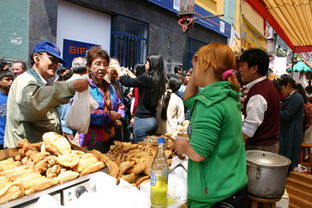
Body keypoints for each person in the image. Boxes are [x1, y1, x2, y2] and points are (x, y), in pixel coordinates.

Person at [174, 42, 248, 208]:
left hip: (217, 197)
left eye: (196, 64)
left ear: (206, 64)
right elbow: (188, 99)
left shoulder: (210, 103)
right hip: (232, 187)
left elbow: (199, 153)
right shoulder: (226, 94)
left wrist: (182, 146)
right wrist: (195, 71)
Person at [4, 40, 89, 148]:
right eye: (51, 59)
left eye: (57, 61)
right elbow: (33, 102)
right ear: (36, 58)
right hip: (25, 153)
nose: (55, 64)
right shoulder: (25, 80)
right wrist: (70, 86)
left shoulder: (44, 83)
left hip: (39, 150)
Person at [78, 46, 124, 152]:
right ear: (89, 66)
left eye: (105, 64)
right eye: (97, 64)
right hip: (92, 139)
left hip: (111, 136)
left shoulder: (109, 86)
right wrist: (109, 115)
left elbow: (120, 103)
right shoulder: (83, 85)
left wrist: (119, 115)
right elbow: (82, 112)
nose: (102, 67)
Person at [116, 55, 166, 143]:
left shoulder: (147, 77)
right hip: (152, 120)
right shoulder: (158, 78)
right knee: (150, 149)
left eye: (147, 62)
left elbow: (126, 82)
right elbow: (138, 81)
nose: (145, 65)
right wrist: (128, 72)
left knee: (140, 149)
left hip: (143, 121)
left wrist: (118, 71)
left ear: (152, 64)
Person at [239, 48, 280, 153]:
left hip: (260, 149)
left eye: (242, 66)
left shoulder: (259, 93)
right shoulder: (266, 85)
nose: (240, 70)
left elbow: (248, 130)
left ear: (254, 68)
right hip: (267, 146)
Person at [277, 77, 304, 169]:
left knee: (289, 156)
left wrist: (273, 111)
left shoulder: (296, 97)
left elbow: (287, 115)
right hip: (287, 130)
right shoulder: (291, 97)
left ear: (288, 86)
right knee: (285, 154)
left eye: (282, 89)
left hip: (292, 131)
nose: (282, 92)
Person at [0, 71, 14, 149]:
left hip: (11, 138)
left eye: (12, 79)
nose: (11, 82)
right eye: (7, 80)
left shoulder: (16, 96)